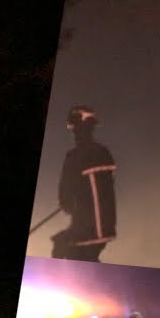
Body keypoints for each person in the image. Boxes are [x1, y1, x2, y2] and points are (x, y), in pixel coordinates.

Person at [52, 106, 117, 262]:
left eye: (74, 126)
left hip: (91, 229)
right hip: (95, 227)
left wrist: (68, 201)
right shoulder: (100, 152)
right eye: (71, 127)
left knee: (71, 254)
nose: (73, 131)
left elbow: (71, 195)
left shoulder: (80, 156)